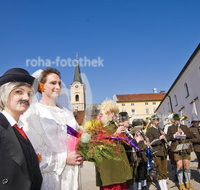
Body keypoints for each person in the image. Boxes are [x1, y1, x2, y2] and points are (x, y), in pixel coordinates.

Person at [21, 68, 83, 190]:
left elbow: (75, 138)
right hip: (51, 179)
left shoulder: (67, 113)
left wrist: (83, 150)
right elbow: (32, 155)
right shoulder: (33, 113)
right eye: (53, 83)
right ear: (42, 86)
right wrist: (64, 158)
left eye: (59, 83)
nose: (58, 87)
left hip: (73, 177)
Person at [0, 68, 42, 190]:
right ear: (4, 93)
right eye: (19, 91)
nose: (27, 97)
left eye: (29, 93)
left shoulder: (20, 129)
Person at [96, 100, 132, 190]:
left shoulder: (114, 125)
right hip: (109, 168)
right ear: (106, 113)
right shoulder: (100, 126)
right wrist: (115, 134)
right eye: (112, 112)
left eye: (115, 112)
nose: (114, 115)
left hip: (119, 166)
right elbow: (99, 143)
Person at [167, 113, 193, 190]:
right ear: (172, 121)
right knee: (179, 166)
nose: (177, 121)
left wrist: (182, 133)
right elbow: (168, 138)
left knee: (187, 165)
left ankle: (188, 183)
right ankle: (181, 184)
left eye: (178, 120)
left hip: (185, 148)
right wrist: (175, 135)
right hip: (176, 149)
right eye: (175, 120)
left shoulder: (184, 126)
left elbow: (190, 135)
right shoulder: (170, 128)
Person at [146, 114, 168, 190]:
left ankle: (165, 187)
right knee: (159, 170)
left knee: (164, 170)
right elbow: (150, 143)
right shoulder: (149, 130)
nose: (158, 122)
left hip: (163, 151)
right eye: (156, 120)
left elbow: (166, 138)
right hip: (156, 152)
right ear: (153, 121)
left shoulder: (160, 129)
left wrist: (165, 136)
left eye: (158, 120)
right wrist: (159, 138)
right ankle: (162, 188)